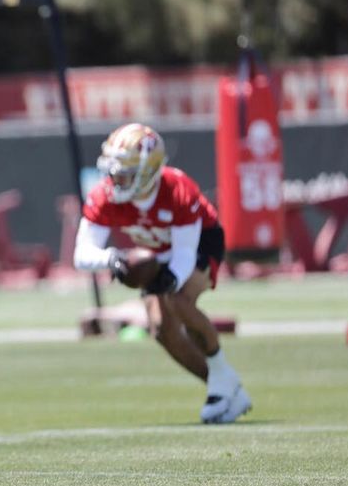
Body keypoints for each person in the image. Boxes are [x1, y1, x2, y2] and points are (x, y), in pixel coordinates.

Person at [73, 122, 252, 424]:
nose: (115, 179)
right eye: (114, 171)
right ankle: (222, 383)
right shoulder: (105, 195)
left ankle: (222, 378)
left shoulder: (177, 189)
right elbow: (82, 254)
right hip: (157, 253)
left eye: (125, 172)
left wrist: (170, 279)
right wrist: (111, 258)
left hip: (198, 244)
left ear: (147, 171)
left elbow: (184, 255)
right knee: (161, 329)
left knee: (177, 299)